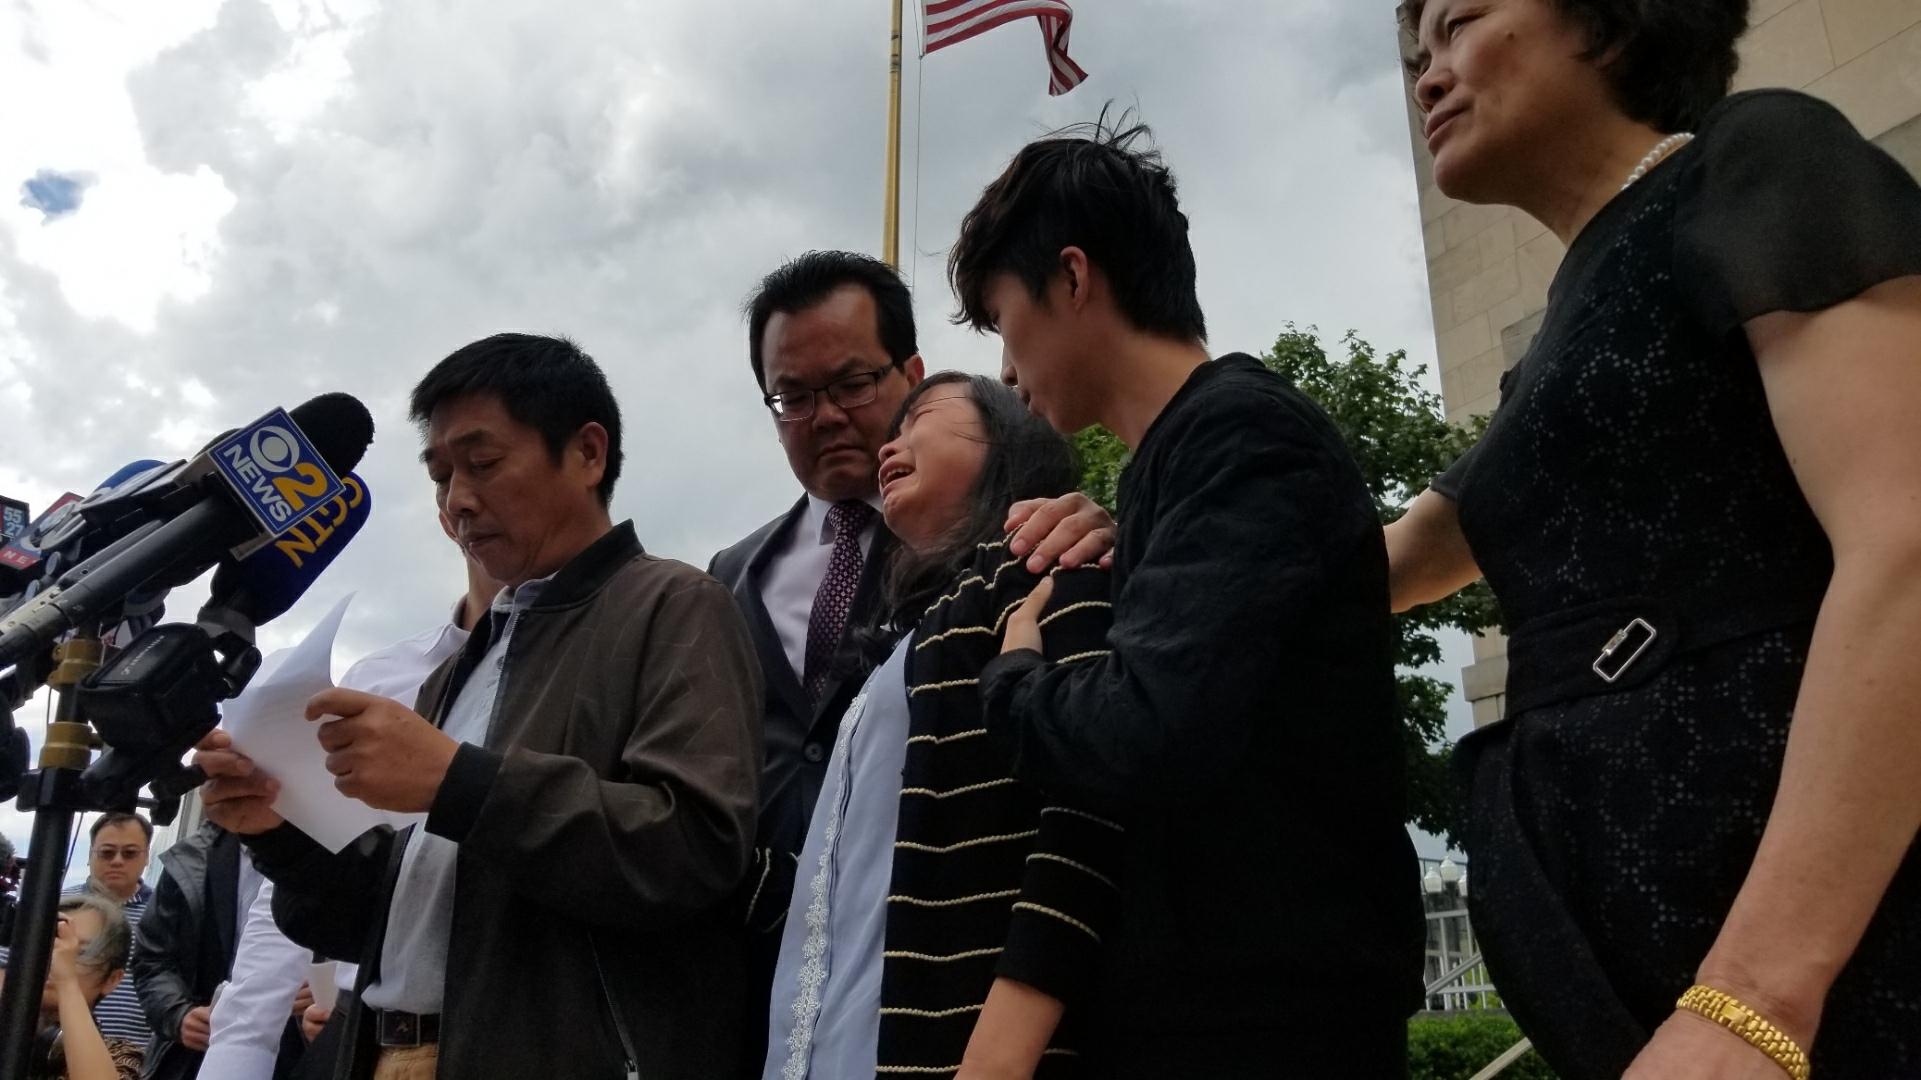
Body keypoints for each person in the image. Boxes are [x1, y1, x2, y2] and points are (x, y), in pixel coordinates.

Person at [1386, 2, 1921, 1076]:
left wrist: (1753, 999)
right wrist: (1134, 546)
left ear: (1611, 17)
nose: (1426, 76)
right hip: (1643, 993)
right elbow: (1386, 564)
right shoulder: (1551, 342)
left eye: (1458, 24)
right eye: (1414, 52)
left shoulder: (1757, 154)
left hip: (1832, 984)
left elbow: (1906, 542)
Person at [947, 116, 1426, 1076]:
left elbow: (1144, 725)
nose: (1004, 369)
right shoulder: (1179, 461)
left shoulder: (1241, 435)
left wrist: (1012, 669)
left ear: (1074, 277)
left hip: (1268, 1014)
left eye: (1005, 323)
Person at [193, 333, 765, 1079]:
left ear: (588, 454)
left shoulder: (677, 604)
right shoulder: (464, 662)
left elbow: (695, 851)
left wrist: (460, 782)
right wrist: (277, 832)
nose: (457, 500)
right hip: (387, 1052)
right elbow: (395, 919)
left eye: (483, 463)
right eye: (439, 476)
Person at [716, 251, 1115, 1068]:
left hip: (953, 1006)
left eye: (854, 384)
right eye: (792, 395)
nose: (824, 415)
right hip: (783, 998)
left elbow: (1087, 818)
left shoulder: (1039, 564)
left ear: (911, 371)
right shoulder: (728, 579)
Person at [198, 537, 500, 1080]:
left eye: (491, 462)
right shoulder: (380, 679)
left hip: (514, 1027)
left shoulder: (612, 668)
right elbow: (291, 885)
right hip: (360, 1027)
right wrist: (237, 1055)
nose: (469, 497)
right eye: (450, 473)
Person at [129, 822, 262, 1080]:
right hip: (198, 1052)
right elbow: (152, 960)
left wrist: (328, 997)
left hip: (301, 1050)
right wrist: (179, 1015)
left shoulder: (334, 853)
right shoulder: (189, 858)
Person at [0, 893, 146, 1080]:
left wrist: (66, 982)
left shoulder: (121, 1055)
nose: (54, 959)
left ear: (112, 979)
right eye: (48, 945)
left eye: (79, 952)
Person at [67, 813, 156, 1051]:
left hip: (138, 1058)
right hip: (55, 1050)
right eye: (107, 852)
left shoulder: (167, 914)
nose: (117, 861)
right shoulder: (54, 906)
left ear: (147, 856)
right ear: (90, 855)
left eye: (129, 853)